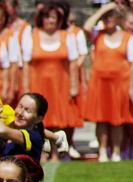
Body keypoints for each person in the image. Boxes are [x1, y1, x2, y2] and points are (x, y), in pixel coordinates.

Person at [22, 3, 81, 160]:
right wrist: (26, 88)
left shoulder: (67, 36)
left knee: (58, 120)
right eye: (47, 17)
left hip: (60, 85)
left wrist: (74, 85)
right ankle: (41, 153)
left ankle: (56, 153)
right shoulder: (31, 37)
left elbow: (74, 62)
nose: (51, 21)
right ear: (42, 19)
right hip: (38, 85)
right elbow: (26, 64)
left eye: (54, 18)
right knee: (39, 120)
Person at [83, 4, 133, 161]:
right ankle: (102, 151)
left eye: (112, 16)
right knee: (101, 119)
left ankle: (115, 151)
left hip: (119, 84)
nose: (108, 20)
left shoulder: (127, 37)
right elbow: (86, 27)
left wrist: (131, 87)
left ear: (118, 19)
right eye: (105, 17)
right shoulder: (97, 35)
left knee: (117, 120)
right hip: (100, 83)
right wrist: (103, 9)